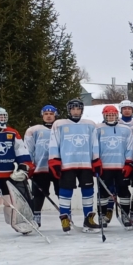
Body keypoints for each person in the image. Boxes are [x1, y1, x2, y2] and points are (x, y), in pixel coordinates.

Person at [0, 107, 35, 237]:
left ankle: (23, 224)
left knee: (17, 200)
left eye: (3, 117)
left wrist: (24, 166)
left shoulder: (12, 132)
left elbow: (22, 151)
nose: (2, 120)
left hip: (10, 175)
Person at [48, 99, 102, 233]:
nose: (76, 111)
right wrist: (54, 160)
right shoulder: (59, 124)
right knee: (66, 191)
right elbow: (54, 143)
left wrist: (96, 160)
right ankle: (65, 217)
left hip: (85, 163)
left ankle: (88, 218)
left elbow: (95, 143)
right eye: (73, 109)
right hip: (67, 163)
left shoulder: (90, 125)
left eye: (78, 109)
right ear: (69, 110)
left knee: (88, 191)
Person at [95, 105, 133, 229]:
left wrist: (129, 163)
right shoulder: (97, 128)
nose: (111, 117)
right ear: (104, 115)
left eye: (113, 114)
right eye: (108, 115)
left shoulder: (126, 129)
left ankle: (125, 215)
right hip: (104, 167)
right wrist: (96, 161)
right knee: (103, 193)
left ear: (117, 115)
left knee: (124, 192)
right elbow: (94, 146)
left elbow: (130, 147)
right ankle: (102, 216)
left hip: (120, 166)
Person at [25, 105, 60, 227]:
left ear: (56, 115)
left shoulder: (61, 128)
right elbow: (28, 149)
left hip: (58, 167)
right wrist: (29, 166)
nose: (49, 116)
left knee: (62, 193)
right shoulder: (33, 130)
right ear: (42, 115)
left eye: (51, 113)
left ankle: (66, 216)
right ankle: (36, 217)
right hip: (40, 168)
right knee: (38, 194)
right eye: (46, 114)